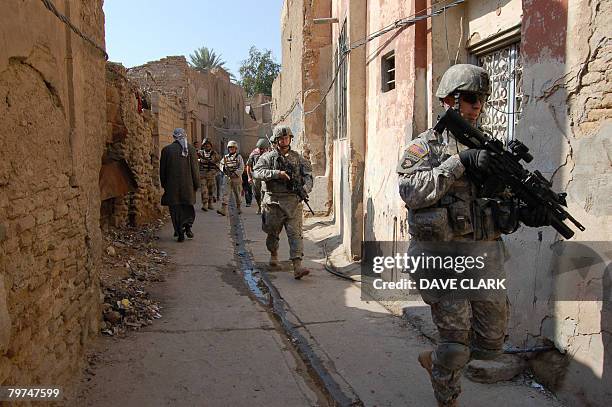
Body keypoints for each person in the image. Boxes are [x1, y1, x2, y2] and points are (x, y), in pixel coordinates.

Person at [397, 64, 550, 407]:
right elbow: (410, 191)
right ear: (448, 101)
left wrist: (528, 212)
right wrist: (459, 162)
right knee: (455, 343)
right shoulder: (425, 147)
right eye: (469, 98)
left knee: (491, 343)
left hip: (483, 258)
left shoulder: (490, 150)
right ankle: (447, 393)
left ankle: (434, 359)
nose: (476, 106)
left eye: (481, 99)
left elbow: (504, 208)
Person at [253, 126, 313, 280]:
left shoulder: (297, 158)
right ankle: (273, 255)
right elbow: (257, 172)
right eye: (281, 138)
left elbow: (308, 176)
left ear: (290, 139)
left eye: (287, 138)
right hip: (273, 202)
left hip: (293, 202)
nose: (285, 140)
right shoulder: (267, 157)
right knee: (272, 233)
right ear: (276, 140)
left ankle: (297, 266)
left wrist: (305, 188)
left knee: (296, 234)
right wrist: (276, 174)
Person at [160, 128, 200, 242]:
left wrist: (164, 184)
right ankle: (188, 227)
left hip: (172, 187)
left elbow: (162, 171)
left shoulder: (166, 150)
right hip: (188, 186)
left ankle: (179, 231)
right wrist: (196, 184)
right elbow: (195, 170)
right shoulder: (191, 150)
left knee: (175, 208)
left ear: (174, 137)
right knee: (187, 207)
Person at [217, 140, 245, 216]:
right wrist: (224, 169)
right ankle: (223, 209)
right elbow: (221, 165)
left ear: (236, 148)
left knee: (237, 194)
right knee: (225, 193)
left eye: (233, 148)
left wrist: (235, 173)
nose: (231, 149)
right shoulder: (225, 157)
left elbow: (241, 167)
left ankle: (239, 207)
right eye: (230, 148)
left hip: (236, 178)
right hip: (227, 177)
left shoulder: (239, 157)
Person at [246, 138, 270, 214]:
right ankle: (259, 206)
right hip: (256, 176)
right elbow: (248, 166)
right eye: (260, 149)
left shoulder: (269, 153)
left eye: (263, 149)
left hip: (265, 176)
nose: (261, 151)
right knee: (256, 193)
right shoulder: (254, 153)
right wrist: (249, 177)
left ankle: (264, 208)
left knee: (265, 192)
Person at [198, 138, 221, 211]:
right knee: (204, 190)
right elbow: (195, 163)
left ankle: (210, 203)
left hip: (211, 174)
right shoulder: (200, 153)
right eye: (205, 144)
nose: (207, 146)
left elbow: (219, 163)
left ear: (211, 145)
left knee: (211, 189)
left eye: (208, 144)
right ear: (203, 145)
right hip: (202, 173)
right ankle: (205, 204)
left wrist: (216, 171)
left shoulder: (214, 154)